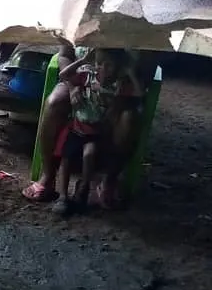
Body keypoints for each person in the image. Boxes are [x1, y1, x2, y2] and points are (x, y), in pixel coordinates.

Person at [23, 44, 142, 210]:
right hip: (78, 80)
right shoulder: (78, 22)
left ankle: (109, 180)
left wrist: (122, 89)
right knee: (54, 103)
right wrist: (72, 88)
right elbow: (64, 55)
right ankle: (49, 176)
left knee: (129, 117)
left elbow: (145, 69)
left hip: (118, 88)